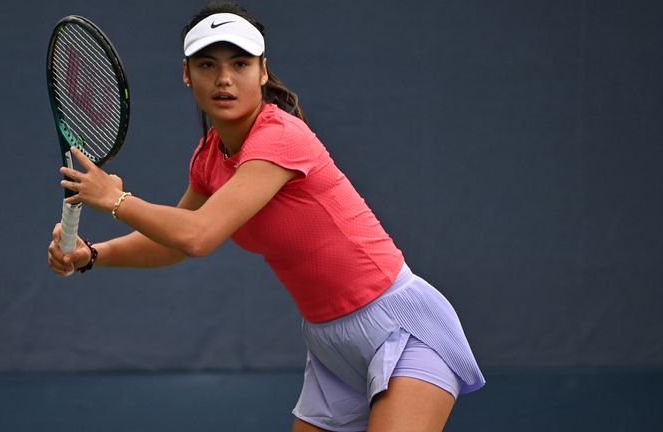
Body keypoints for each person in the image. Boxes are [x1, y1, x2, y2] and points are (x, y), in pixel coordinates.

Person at [47, 2, 485, 430]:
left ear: (262, 71)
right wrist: (93, 255)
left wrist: (117, 200)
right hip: (329, 343)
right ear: (186, 74)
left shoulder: (280, 138)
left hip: (401, 326)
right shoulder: (209, 159)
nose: (224, 79)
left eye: (239, 64)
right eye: (206, 65)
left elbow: (198, 235)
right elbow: (172, 242)